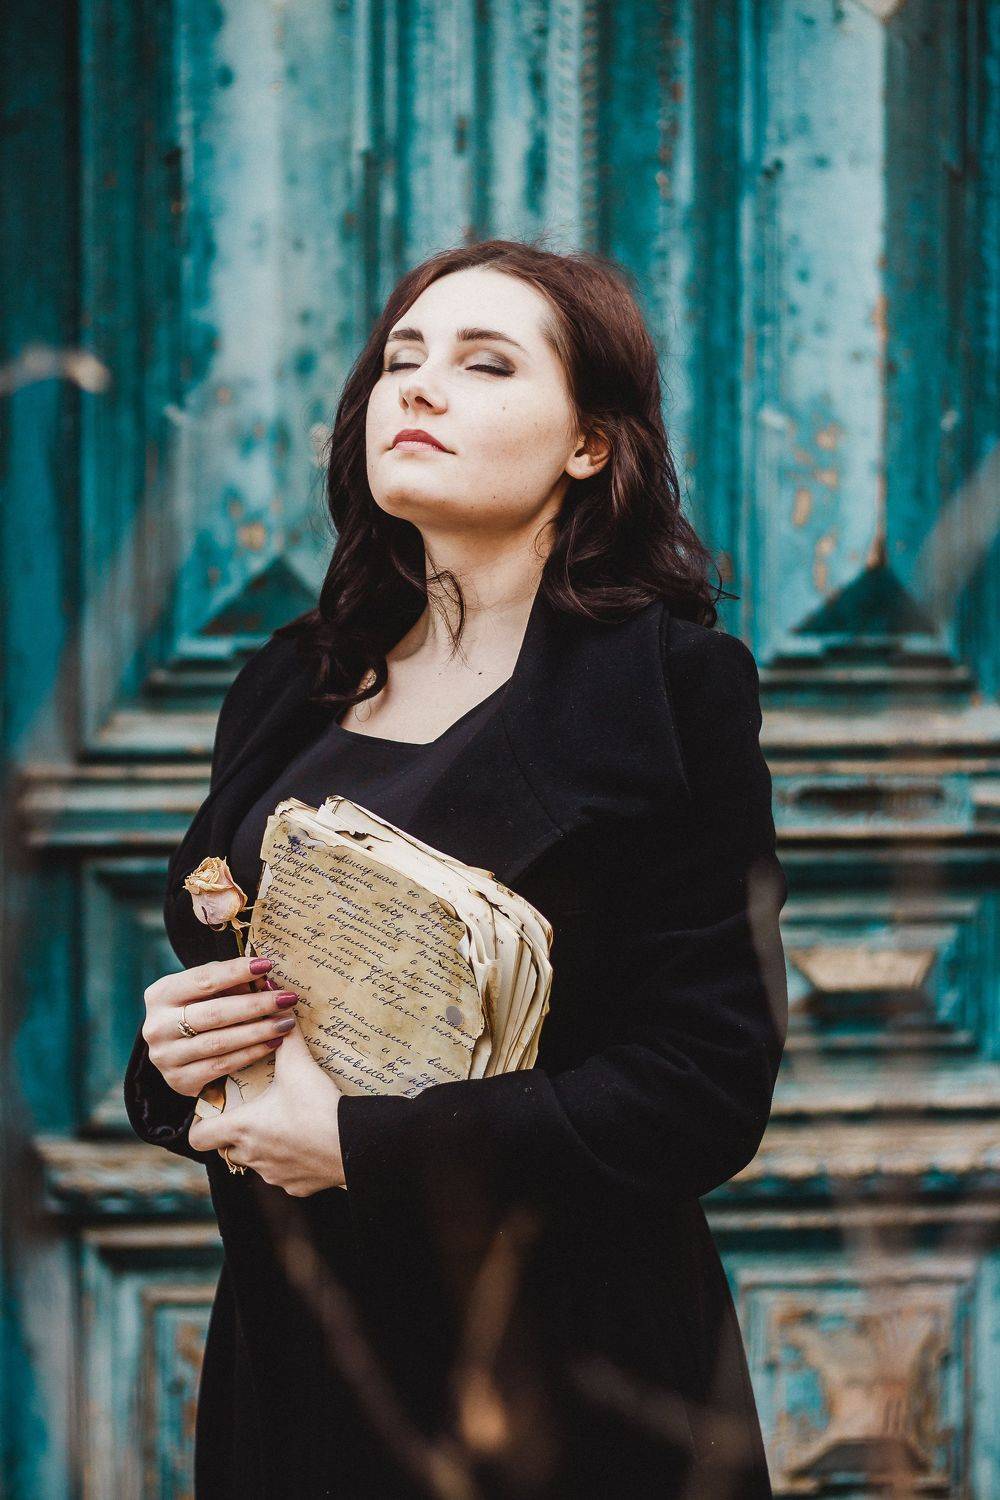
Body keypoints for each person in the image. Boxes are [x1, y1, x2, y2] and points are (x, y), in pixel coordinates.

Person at [124, 237, 789, 1499]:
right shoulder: (293, 678)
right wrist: (172, 1060)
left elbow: (704, 1085)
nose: (418, 387)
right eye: (401, 359)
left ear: (589, 443)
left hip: (556, 1379)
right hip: (296, 1363)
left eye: (486, 364)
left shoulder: (670, 690)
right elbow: (253, 996)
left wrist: (368, 1147)